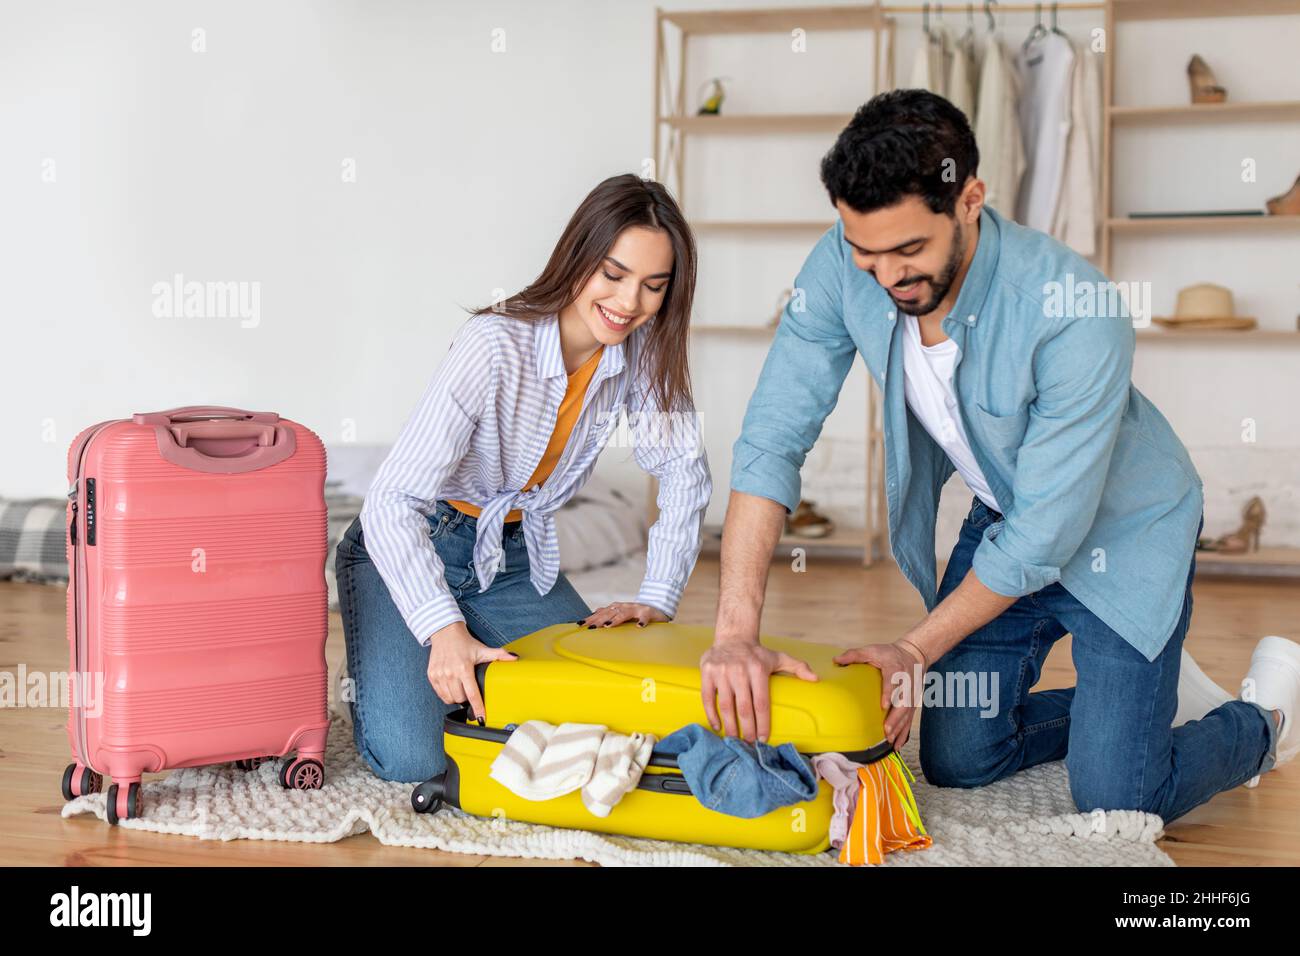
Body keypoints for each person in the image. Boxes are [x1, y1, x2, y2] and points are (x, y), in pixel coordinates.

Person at [702, 89, 1290, 824]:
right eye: (866, 253)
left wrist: (914, 650)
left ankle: (1262, 724)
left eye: (909, 251)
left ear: (970, 199)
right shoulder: (839, 266)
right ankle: (1142, 708)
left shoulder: (1074, 307)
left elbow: (1049, 531)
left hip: (1124, 532)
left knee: (1118, 798)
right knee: (957, 757)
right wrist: (734, 637)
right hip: (1008, 519)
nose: (885, 277)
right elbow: (772, 437)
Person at [337, 173, 711, 783]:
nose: (629, 302)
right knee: (419, 760)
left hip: (508, 560)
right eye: (613, 275)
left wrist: (656, 598)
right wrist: (441, 628)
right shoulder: (494, 344)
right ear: (580, 258)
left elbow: (685, 474)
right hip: (407, 544)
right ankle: (386, 657)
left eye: (653, 286)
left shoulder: (642, 355)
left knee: (603, 708)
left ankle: (467, 659)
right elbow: (392, 502)